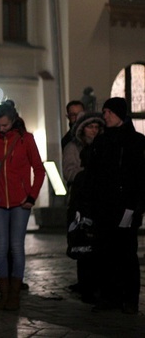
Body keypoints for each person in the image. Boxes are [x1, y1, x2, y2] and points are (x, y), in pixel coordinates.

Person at [82, 97, 145, 314]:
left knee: (126, 254)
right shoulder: (102, 141)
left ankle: (129, 299)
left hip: (126, 206)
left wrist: (136, 207)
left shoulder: (137, 142)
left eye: (108, 112)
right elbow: (93, 174)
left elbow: (139, 178)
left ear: (119, 114)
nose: (104, 116)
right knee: (104, 254)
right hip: (103, 207)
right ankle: (109, 297)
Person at [0, 100, 45, 311]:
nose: (1, 129)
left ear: (13, 121)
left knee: (16, 247)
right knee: (0, 249)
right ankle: (3, 294)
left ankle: (14, 295)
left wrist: (31, 196)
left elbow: (39, 170)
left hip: (20, 203)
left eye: (4, 125)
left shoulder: (25, 139)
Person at [62, 111, 103, 303]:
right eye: (90, 127)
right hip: (80, 200)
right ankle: (86, 286)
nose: (94, 131)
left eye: (96, 127)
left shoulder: (103, 146)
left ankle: (97, 285)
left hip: (99, 201)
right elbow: (70, 172)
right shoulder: (73, 147)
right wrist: (88, 174)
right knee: (82, 243)